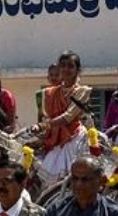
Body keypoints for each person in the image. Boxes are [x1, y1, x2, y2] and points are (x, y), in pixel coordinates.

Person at [38, 51, 92, 180]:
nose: (66, 69)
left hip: (75, 138)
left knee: (76, 176)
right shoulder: (51, 92)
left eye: (70, 66)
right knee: (47, 179)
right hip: (56, 139)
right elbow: (44, 116)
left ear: (77, 70)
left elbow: (68, 116)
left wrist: (44, 125)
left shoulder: (82, 91)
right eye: (63, 65)